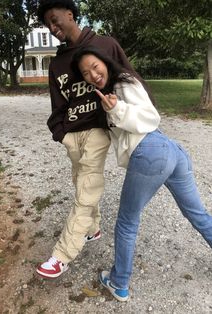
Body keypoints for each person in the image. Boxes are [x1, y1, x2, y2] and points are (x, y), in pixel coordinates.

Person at [71, 45, 212, 302]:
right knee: (198, 213)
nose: (92, 74)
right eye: (85, 72)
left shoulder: (123, 82)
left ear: (105, 61)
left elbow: (150, 117)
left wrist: (117, 110)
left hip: (151, 150)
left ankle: (119, 283)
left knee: (127, 221)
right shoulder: (106, 94)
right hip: (170, 152)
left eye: (95, 66)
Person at [36, 0, 134, 279]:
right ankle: (93, 228)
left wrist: (140, 115)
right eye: (48, 25)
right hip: (72, 136)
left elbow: (129, 79)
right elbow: (57, 103)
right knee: (81, 182)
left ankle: (61, 256)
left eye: (56, 20)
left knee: (87, 188)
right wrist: (61, 133)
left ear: (70, 14)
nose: (53, 28)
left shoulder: (105, 45)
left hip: (98, 132)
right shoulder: (57, 63)